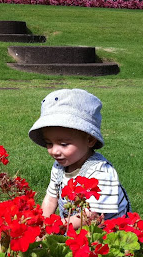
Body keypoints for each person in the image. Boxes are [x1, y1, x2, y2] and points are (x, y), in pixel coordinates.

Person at [28, 88, 130, 229]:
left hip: (105, 232)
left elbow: (92, 215)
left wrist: (55, 227)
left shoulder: (101, 171)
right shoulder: (59, 167)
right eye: (49, 143)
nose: (55, 151)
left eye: (64, 144)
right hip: (73, 227)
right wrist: (42, 225)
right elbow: (51, 199)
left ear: (90, 140)